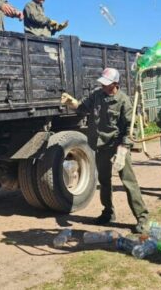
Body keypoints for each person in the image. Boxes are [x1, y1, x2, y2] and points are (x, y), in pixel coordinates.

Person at [60, 68, 150, 233]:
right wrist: (71, 102)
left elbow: (131, 129)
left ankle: (142, 219)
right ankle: (108, 213)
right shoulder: (97, 95)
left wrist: (123, 150)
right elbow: (82, 108)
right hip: (101, 147)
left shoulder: (124, 101)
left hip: (118, 147)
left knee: (129, 183)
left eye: (106, 84)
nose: (103, 86)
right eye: (102, 83)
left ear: (115, 84)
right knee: (104, 182)